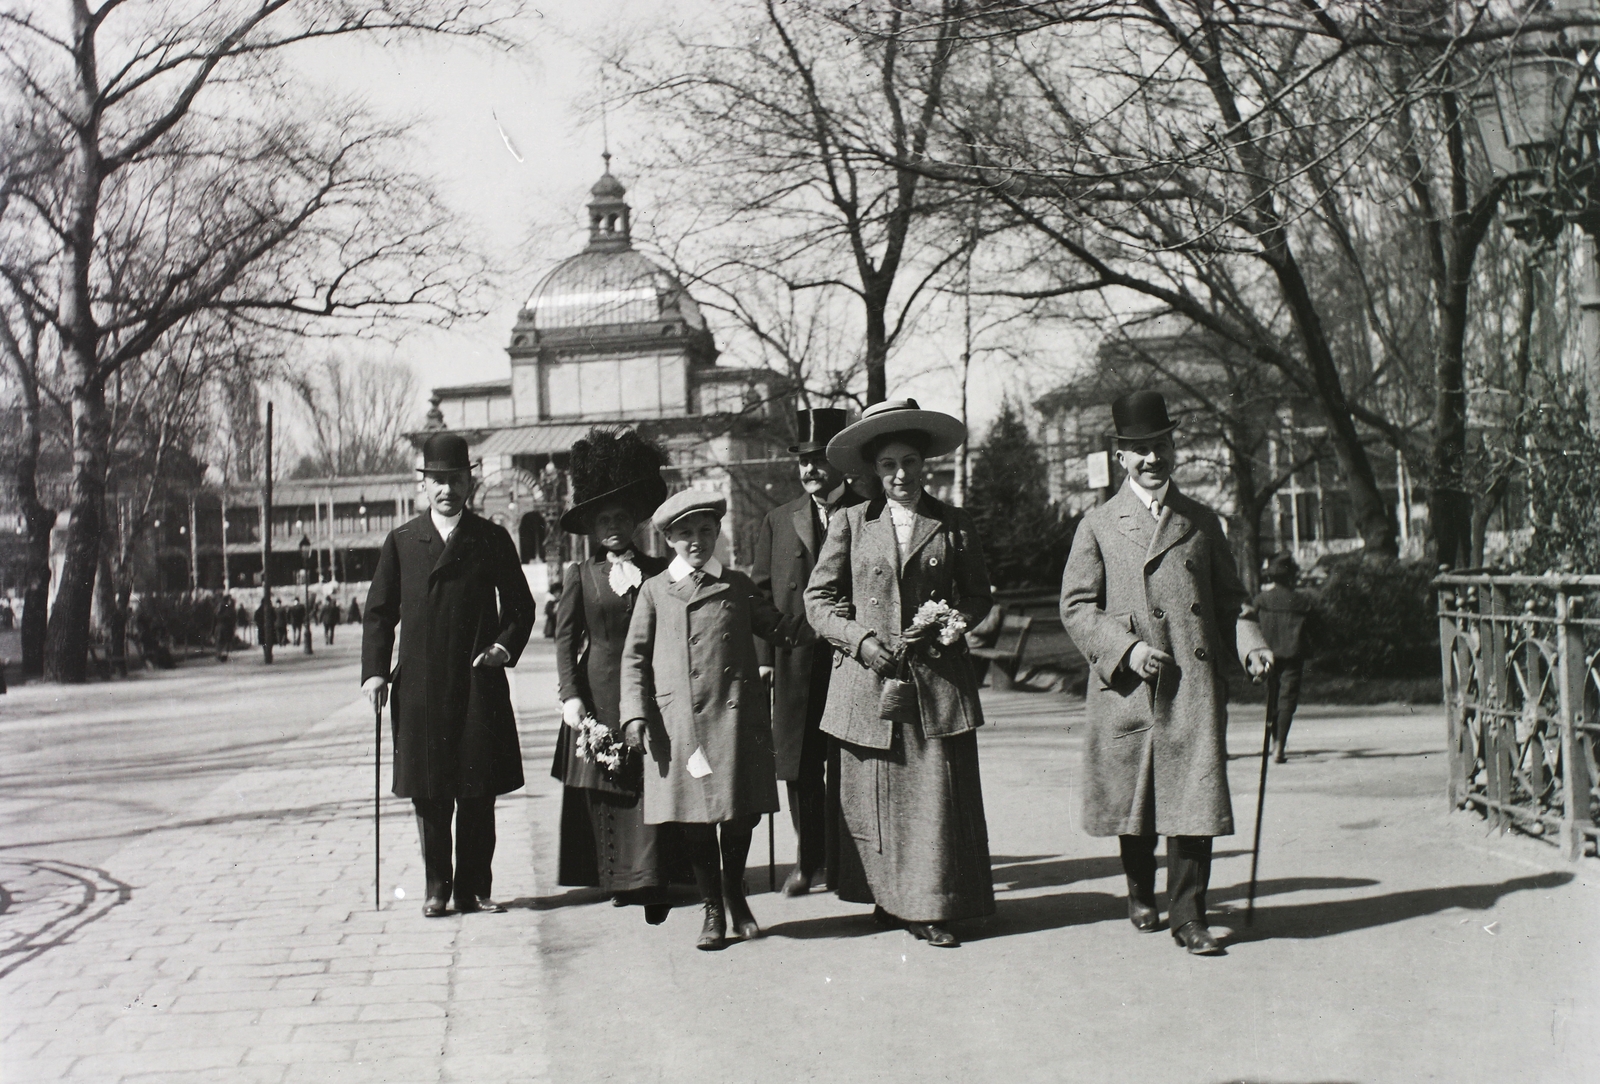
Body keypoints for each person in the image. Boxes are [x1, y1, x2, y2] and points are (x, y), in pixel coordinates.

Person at [1059, 390, 1273, 957]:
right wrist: (1125, 651)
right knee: (1138, 800)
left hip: (1192, 684)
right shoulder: (1098, 525)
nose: (1153, 459)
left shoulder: (1202, 521)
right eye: (1140, 451)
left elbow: (1231, 601)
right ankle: (1139, 890)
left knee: (1193, 798)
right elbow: (1077, 607)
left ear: (1174, 448)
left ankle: (1190, 916)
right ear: (1121, 456)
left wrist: (1250, 644)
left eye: (1161, 446)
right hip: (1128, 686)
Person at [804, 399, 996, 948]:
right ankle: (887, 898)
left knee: (931, 799)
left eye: (909, 462)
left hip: (935, 684)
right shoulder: (850, 523)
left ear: (925, 463)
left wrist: (955, 624)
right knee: (878, 800)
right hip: (868, 685)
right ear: (873, 471)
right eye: (888, 465)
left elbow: (979, 595)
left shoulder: (953, 523)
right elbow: (818, 600)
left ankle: (929, 904)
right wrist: (860, 641)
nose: (901, 475)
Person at [619, 490, 806, 950]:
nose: (696, 541)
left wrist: (830, 615)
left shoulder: (738, 586)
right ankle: (712, 909)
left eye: (705, 530)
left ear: (717, 532)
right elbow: (634, 658)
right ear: (668, 540)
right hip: (680, 724)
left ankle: (734, 895)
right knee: (695, 820)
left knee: (740, 816)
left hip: (737, 722)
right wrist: (634, 714)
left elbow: (783, 628)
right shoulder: (655, 591)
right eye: (685, 534)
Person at [362, 432, 538, 918]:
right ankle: (437, 888)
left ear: (469, 483)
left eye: (456, 480)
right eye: (438, 481)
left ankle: (474, 889)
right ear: (424, 485)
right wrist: (375, 673)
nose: (447, 490)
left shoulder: (491, 538)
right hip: (420, 686)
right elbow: (379, 612)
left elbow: (521, 606)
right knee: (431, 791)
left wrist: (504, 645)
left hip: (477, 680)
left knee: (477, 792)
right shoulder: (401, 541)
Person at [551, 428, 677, 925]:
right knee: (610, 782)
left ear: (635, 521)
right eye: (604, 519)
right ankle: (616, 877)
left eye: (622, 517)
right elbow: (565, 641)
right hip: (599, 688)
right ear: (591, 526)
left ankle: (649, 875)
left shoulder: (659, 570)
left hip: (649, 686)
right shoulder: (580, 576)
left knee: (651, 781)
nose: (614, 527)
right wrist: (569, 694)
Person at [752, 407, 866, 897]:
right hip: (794, 658)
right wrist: (764, 655)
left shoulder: (870, 510)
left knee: (851, 761)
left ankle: (852, 860)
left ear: (840, 462)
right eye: (802, 460)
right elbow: (758, 594)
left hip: (853, 657)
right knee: (798, 766)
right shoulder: (778, 520)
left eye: (819, 458)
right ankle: (809, 859)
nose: (810, 469)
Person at [1255, 553, 1318, 764]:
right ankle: (1280, 744)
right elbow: (1316, 629)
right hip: (1293, 655)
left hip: (1268, 655)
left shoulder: (1261, 600)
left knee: (1272, 697)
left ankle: (1275, 742)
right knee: (1287, 699)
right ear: (1291, 576)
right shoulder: (1301, 601)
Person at [214, 593, 236, 661]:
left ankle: (219, 654)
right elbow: (232, 616)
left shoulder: (220, 606)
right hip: (226, 626)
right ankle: (223, 655)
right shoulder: (227, 607)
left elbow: (215, 616)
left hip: (220, 625)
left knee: (220, 641)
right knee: (225, 641)